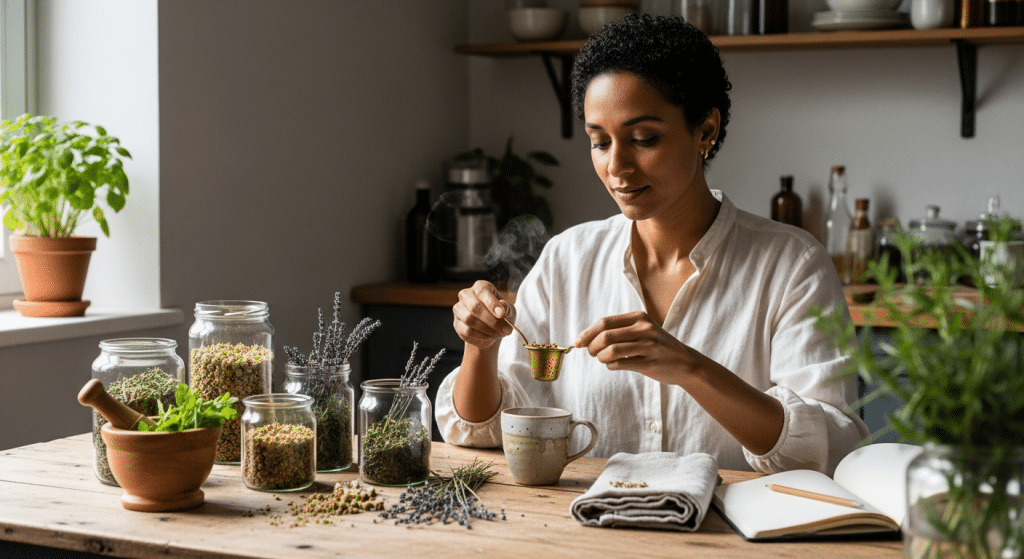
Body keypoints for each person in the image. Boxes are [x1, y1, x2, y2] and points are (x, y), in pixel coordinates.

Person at [435, 13, 868, 475]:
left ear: (705, 131)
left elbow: (833, 448)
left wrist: (690, 368)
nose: (617, 166)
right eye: (600, 142)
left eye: (644, 138)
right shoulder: (568, 258)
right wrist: (479, 347)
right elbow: (481, 429)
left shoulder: (791, 265)